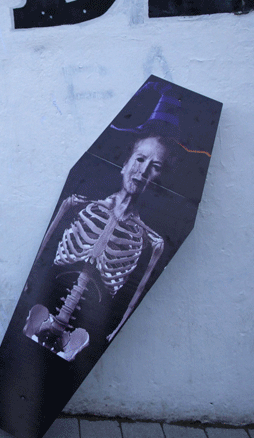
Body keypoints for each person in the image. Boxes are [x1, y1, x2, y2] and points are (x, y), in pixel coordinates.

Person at [23, 135, 170, 361]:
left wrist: (116, 329)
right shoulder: (76, 203)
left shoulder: (153, 241)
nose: (143, 171)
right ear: (125, 165)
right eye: (140, 159)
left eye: (155, 167)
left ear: (159, 180)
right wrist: (28, 280)